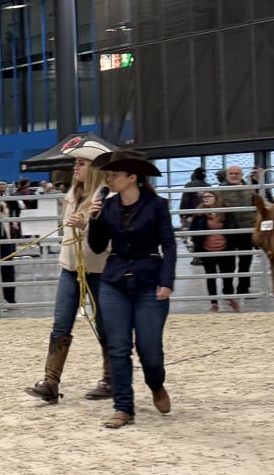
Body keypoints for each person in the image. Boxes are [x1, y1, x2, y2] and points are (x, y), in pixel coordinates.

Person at [85, 149, 175, 429]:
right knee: (118, 347)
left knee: (149, 349)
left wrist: (167, 280)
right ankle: (123, 407)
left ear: (132, 177)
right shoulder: (107, 206)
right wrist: (94, 221)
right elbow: (98, 246)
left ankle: (156, 383)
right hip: (115, 281)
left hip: (150, 280)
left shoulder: (157, 205)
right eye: (108, 174)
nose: (109, 180)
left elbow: (169, 244)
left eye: (114, 175)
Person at [25, 138, 112, 404]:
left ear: (94, 169)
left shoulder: (107, 197)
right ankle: (51, 381)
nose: (76, 167)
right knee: (60, 324)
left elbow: (108, 240)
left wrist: (86, 225)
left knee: (105, 325)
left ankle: (111, 378)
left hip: (98, 270)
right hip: (71, 269)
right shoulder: (72, 196)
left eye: (82, 163)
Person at [189, 190, 239, 312]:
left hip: (225, 247)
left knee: (228, 275)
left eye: (209, 196)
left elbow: (233, 226)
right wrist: (197, 245)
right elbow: (194, 229)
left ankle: (229, 296)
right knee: (210, 276)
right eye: (204, 197)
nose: (205, 199)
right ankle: (214, 303)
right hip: (207, 249)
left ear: (217, 197)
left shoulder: (226, 211)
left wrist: (232, 243)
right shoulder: (200, 212)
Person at [215, 164, 257, 305]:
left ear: (241, 174)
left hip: (246, 231)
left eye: (237, 173)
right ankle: (227, 291)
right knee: (228, 263)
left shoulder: (250, 190)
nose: (234, 175)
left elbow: (257, 206)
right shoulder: (220, 191)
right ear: (227, 175)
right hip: (228, 231)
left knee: (246, 262)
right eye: (231, 173)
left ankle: (243, 289)